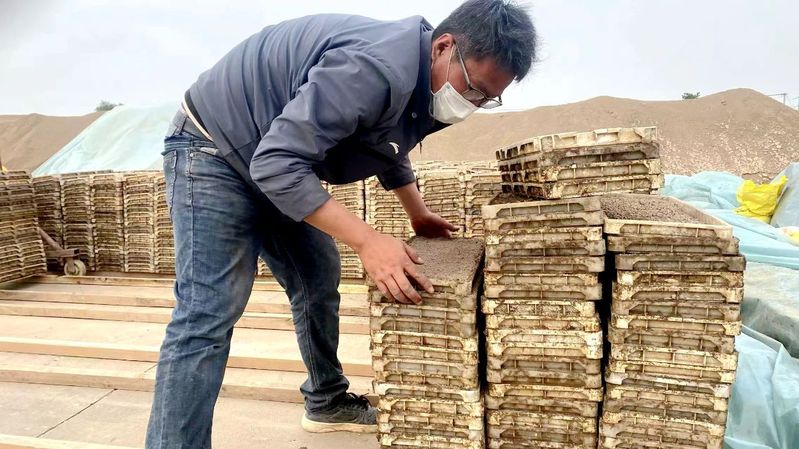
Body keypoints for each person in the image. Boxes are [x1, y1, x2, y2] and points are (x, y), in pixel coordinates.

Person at [145, 0, 537, 446]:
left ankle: (326, 401)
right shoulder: (373, 68)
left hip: (270, 153)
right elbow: (277, 164)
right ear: (444, 47)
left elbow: (387, 142)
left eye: (487, 99)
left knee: (317, 275)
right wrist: (368, 241)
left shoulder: (429, 80)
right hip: (213, 147)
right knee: (209, 309)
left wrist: (417, 212)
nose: (472, 104)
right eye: (474, 89)